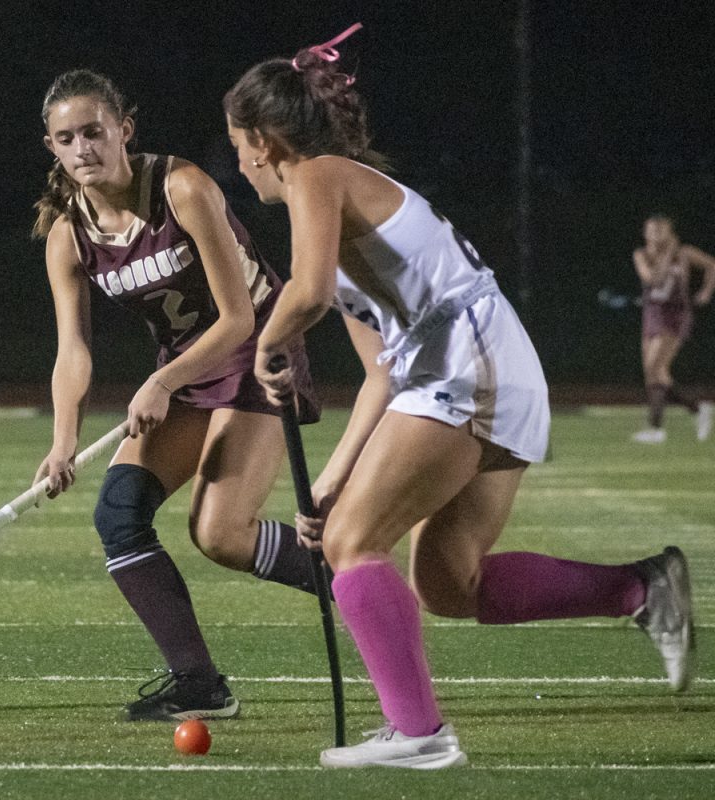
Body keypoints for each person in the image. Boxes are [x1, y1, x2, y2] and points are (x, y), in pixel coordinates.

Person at [223, 24, 696, 769]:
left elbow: (304, 296)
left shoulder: (318, 176)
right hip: (488, 369)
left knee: (353, 544)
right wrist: (328, 482)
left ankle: (419, 734)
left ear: (262, 139)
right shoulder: (341, 205)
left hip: (468, 368)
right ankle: (642, 588)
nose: (239, 164)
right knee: (449, 582)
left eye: (237, 145)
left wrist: (267, 344)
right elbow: (381, 373)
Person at [31, 69, 321, 722]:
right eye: (67, 138)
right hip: (187, 371)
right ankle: (198, 684)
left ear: (123, 131)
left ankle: (352, 579)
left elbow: (239, 318)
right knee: (118, 514)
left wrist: (161, 381)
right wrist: (63, 443)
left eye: (94, 132)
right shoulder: (67, 238)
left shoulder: (183, 187)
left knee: (220, 533)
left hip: (256, 355)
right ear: (51, 147)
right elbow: (72, 351)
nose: (83, 148)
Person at [631, 214, 715, 444]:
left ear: (670, 232)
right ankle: (698, 409)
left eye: (661, 230)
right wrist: (667, 256)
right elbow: (653, 280)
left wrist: (706, 292)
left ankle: (656, 429)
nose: (657, 235)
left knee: (655, 367)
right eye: (652, 230)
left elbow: (711, 265)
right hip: (652, 315)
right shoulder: (642, 255)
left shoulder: (685, 253)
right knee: (654, 374)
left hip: (675, 315)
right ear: (646, 233)